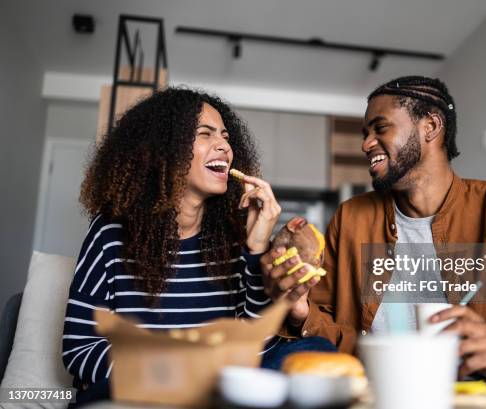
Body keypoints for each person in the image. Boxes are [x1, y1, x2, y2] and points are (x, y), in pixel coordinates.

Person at [261, 76, 486, 407]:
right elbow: (326, 332)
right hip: (375, 382)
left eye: (380, 128)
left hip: (478, 386)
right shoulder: (351, 217)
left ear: (430, 126)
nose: (366, 144)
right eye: (364, 133)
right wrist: (300, 308)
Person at [62, 88, 332, 407]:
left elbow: (256, 352)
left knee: (316, 350)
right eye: (205, 134)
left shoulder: (234, 237)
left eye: (226, 136)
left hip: (218, 388)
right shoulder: (111, 233)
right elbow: (80, 349)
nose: (224, 146)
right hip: (146, 388)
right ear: (165, 150)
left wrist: (257, 246)